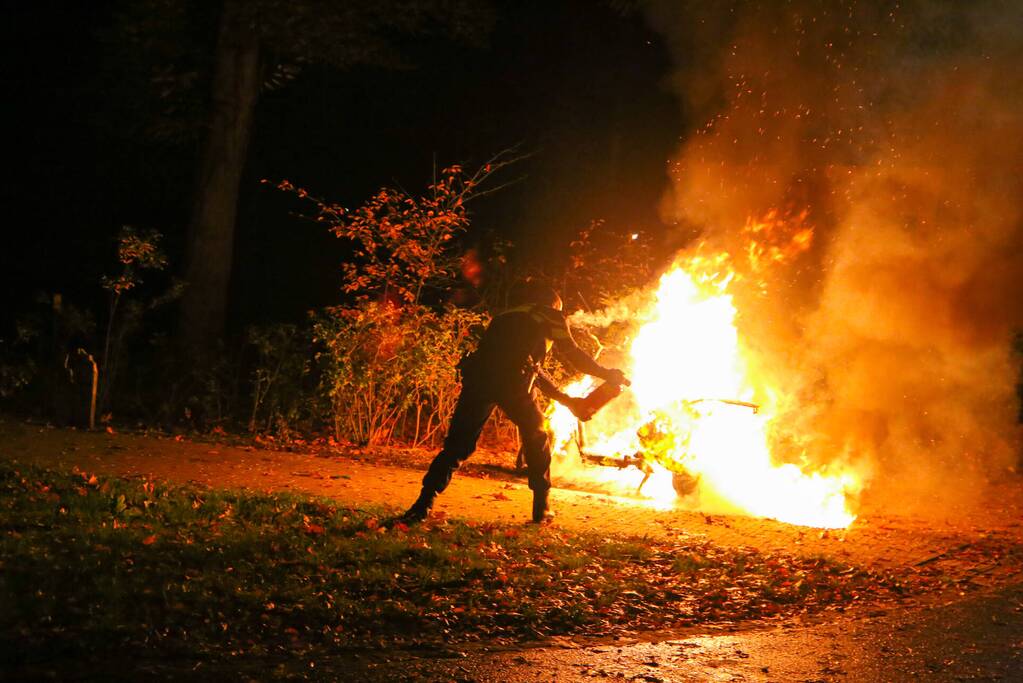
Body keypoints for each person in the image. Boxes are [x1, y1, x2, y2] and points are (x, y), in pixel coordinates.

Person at [402, 282, 629, 524]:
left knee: (458, 446)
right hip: (512, 382)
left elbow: (531, 367)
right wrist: (608, 374)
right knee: (537, 436)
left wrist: (568, 401)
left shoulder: (504, 316)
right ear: (552, 304)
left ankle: (422, 504)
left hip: (479, 379)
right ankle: (542, 508)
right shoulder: (549, 315)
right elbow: (573, 356)